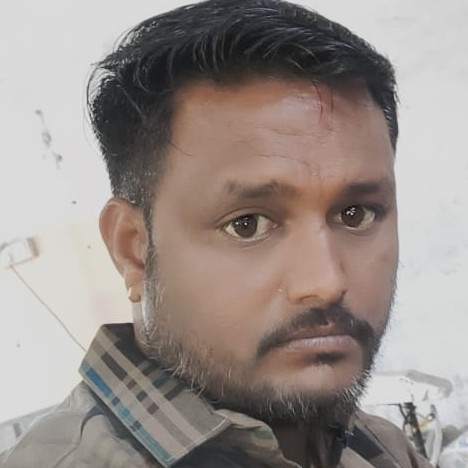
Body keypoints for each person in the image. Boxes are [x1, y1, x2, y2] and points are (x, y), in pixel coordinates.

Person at [1, 0, 432, 466]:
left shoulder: (383, 448)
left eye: (356, 214)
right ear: (133, 249)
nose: (327, 282)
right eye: (247, 224)